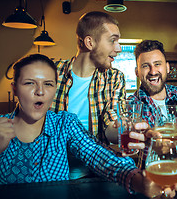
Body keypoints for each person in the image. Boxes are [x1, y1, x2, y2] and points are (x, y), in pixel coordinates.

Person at [0, 54, 177, 198]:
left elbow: (98, 155)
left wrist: (137, 179)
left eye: (48, 84)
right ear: (15, 88)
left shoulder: (64, 124)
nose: (40, 92)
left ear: (55, 89)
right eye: (29, 83)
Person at [50, 11, 124, 143]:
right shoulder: (52, 72)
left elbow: (111, 122)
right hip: (52, 160)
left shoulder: (115, 78)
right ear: (89, 42)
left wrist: (124, 130)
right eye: (113, 40)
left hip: (94, 160)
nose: (119, 48)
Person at [127, 40, 177, 127]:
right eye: (145, 66)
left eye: (157, 64)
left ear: (167, 68)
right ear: (137, 72)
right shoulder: (132, 105)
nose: (153, 72)